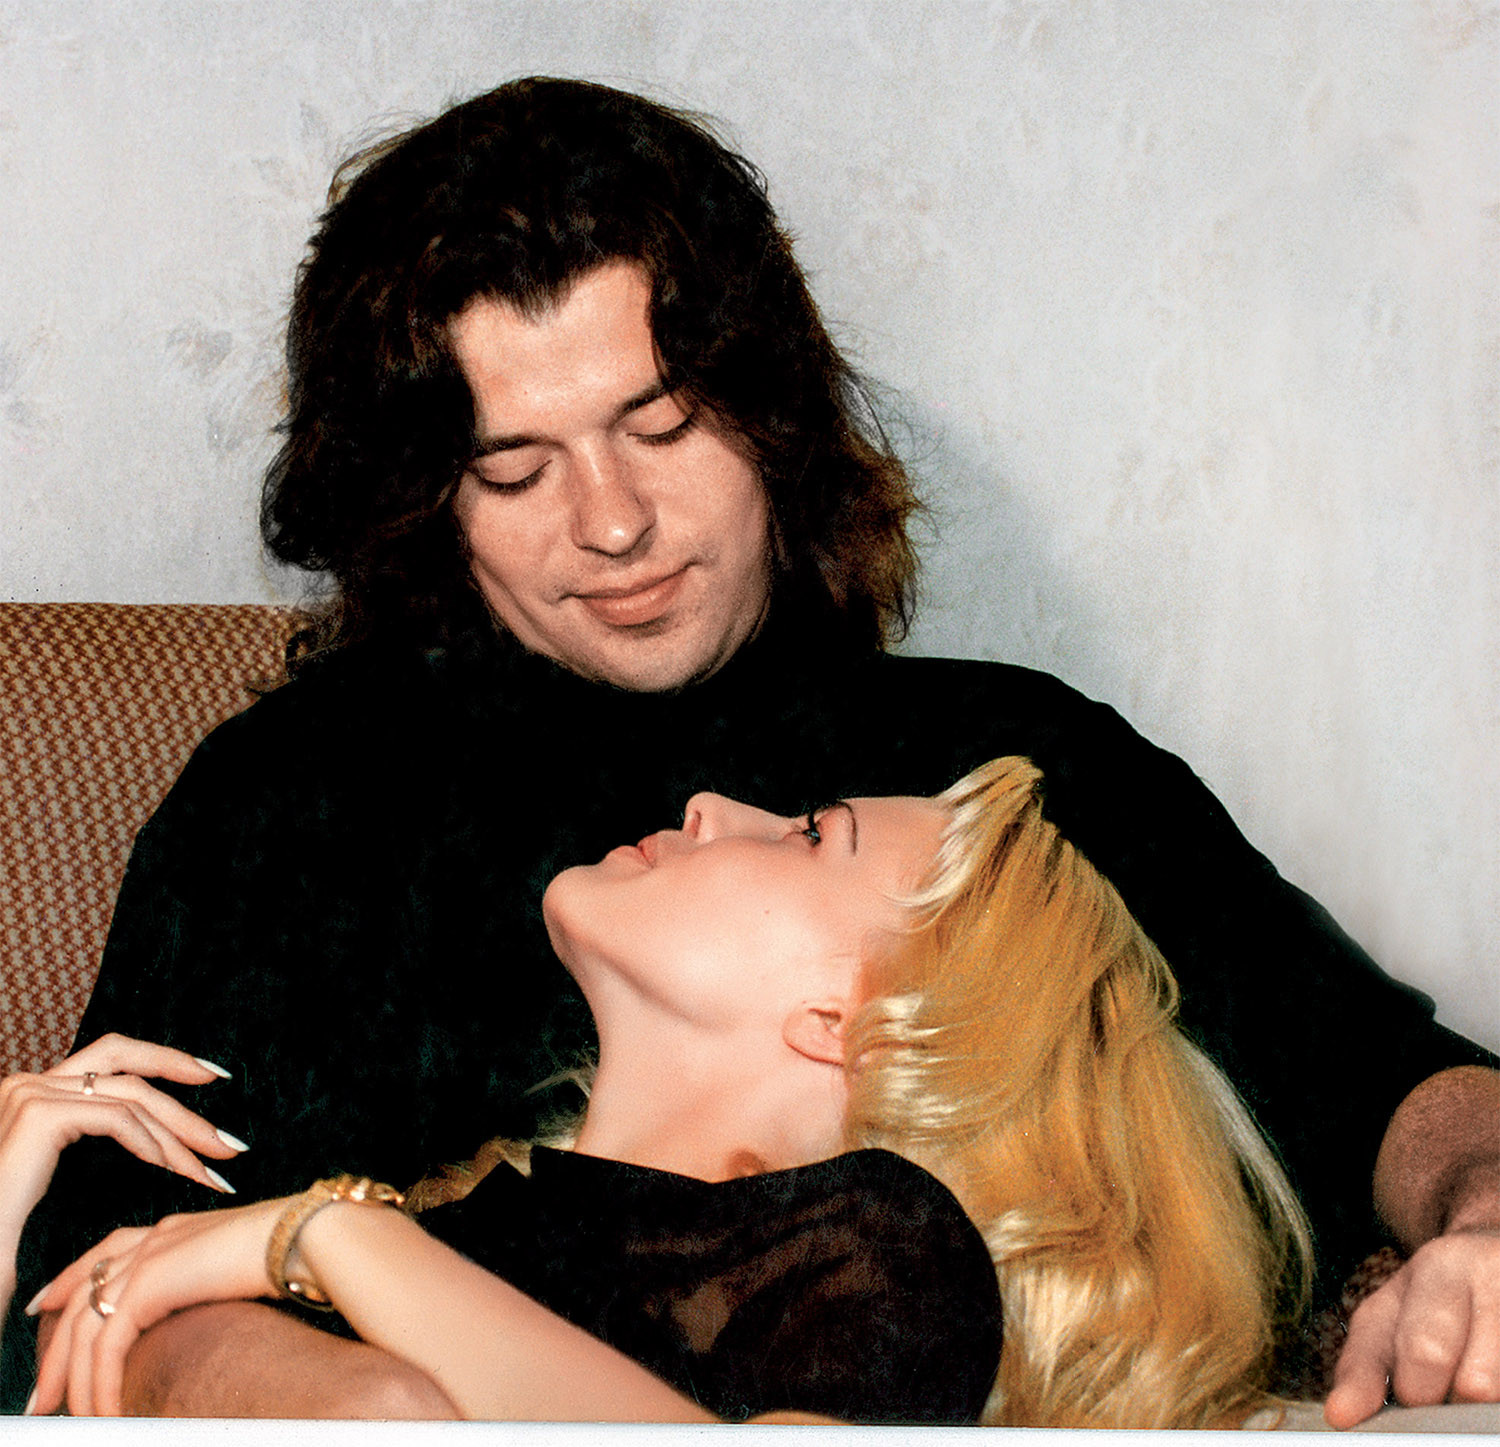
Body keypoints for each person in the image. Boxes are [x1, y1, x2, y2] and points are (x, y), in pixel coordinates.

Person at [4, 77, 1495, 1423]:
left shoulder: (1000, 769)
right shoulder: (292, 804)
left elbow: (1381, 1074)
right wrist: (348, 1401)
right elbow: (100, 1278)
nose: (612, 522)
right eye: (514, 468)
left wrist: (1486, 1222)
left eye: (661, 426)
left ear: (769, 410)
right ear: (426, 507)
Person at [19, 760, 1311, 1427]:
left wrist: (326, 1237)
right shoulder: (458, 1216)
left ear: (849, 1022)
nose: (710, 805)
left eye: (811, 835)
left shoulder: (876, 1246)